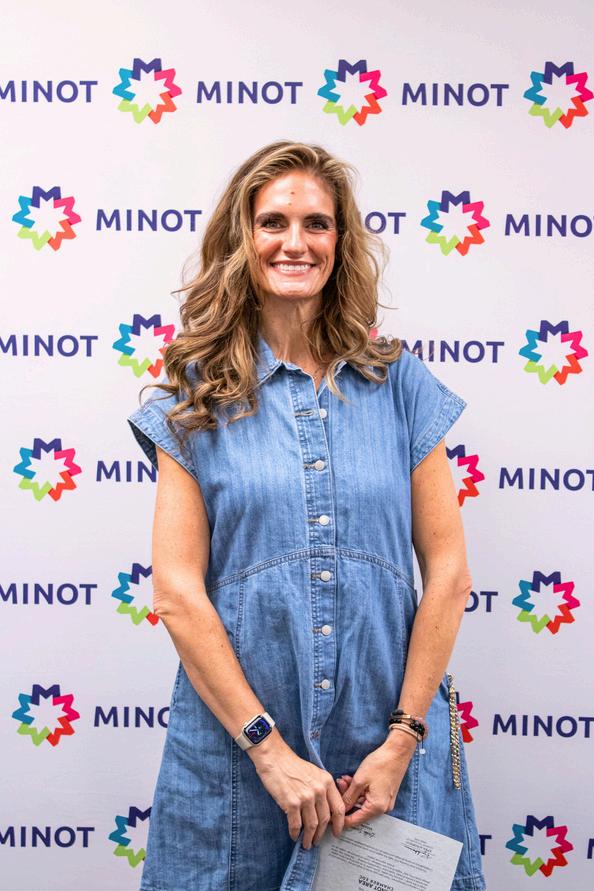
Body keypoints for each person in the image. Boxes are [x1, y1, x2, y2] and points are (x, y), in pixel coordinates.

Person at [127, 140, 486, 891]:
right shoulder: (195, 396)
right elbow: (177, 591)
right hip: (238, 750)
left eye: (316, 223)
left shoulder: (399, 383)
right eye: (274, 223)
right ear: (243, 239)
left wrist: (402, 740)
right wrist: (268, 750)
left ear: (340, 242)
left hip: (385, 750)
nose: (296, 242)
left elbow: (449, 573)